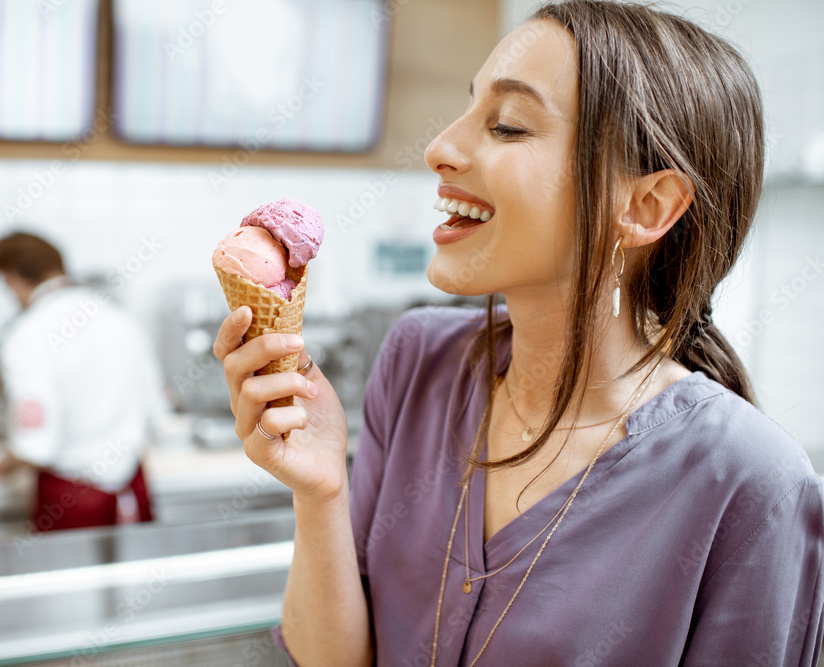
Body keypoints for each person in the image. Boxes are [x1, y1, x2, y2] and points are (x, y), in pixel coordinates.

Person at [214, 1, 824, 665]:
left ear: (646, 205)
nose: (440, 148)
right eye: (469, 110)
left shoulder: (753, 483)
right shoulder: (418, 360)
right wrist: (320, 490)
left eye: (507, 126)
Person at [0, 231, 167, 532]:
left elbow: (35, 446)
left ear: (11, 278)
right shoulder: (119, 318)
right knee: (140, 579)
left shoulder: (24, 337)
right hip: (133, 490)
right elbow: (158, 411)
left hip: (69, 503)